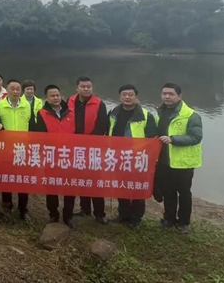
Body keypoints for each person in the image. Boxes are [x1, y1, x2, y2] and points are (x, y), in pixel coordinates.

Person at [107, 84, 158, 229]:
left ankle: (136, 218)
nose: (127, 97)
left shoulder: (146, 115)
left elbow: (152, 138)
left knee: (137, 188)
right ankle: (123, 214)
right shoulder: (113, 112)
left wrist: (149, 158)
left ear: (136, 97)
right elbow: (106, 133)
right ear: (120, 96)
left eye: (130, 95)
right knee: (121, 186)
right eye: (124, 95)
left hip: (138, 159)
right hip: (117, 157)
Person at [156, 83, 203, 234]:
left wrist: (173, 139)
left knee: (183, 193)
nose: (167, 97)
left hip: (184, 163)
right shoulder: (161, 112)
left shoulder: (191, 115)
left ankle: (183, 222)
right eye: (164, 94)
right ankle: (169, 219)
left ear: (180, 96)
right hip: (165, 161)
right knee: (168, 192)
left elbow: (196, 137)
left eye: (171, 94)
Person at [33, 84, 76, 229]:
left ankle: (68, 215)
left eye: (57, 95)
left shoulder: (71, 113)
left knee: (70, 187)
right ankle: (53, 213)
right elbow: (39, 137)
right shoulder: (41, 114)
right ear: (46, 98)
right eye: (52, 96)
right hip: (51, 156)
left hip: (70, 156)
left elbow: (78, 135)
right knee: (51, 186)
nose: (56, 98)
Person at [68, 76, 109, 224]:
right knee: (79, 179)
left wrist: (89, 142)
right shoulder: (69, 101)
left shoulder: (99, 104)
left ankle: (100, 213)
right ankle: (84, 209)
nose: (86, 89)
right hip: (74, 147)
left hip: (93, 148)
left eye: (89, 86)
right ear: (76, 88)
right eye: (83, 86)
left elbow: (102, 124)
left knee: (94, 180)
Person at [0, 79, 33, 221]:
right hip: (6, 148)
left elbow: (30, 125)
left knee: (23, 180)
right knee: (7, 179)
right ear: (7, 90)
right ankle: (7, 207)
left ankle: (23, 209)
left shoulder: (26, 105)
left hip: (22, 149)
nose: (16, 91)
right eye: (12, 88)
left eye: (18, 89)